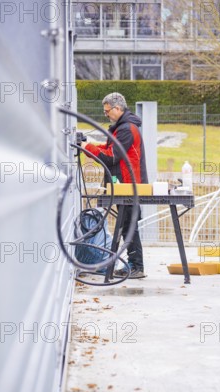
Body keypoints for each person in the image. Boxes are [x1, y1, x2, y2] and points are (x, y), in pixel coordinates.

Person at [81, 92, 148, 279]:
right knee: (127, 226)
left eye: (107, 111)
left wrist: (87, 148)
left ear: (117, 108)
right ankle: (134, 266)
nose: (106, 115)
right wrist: (89, 145)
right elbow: (110, 149)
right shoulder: (122, 128)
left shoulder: (126, 129)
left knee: (129, 226)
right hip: (123, 185)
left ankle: (137, 267)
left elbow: (111, 158)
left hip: (128, 185)